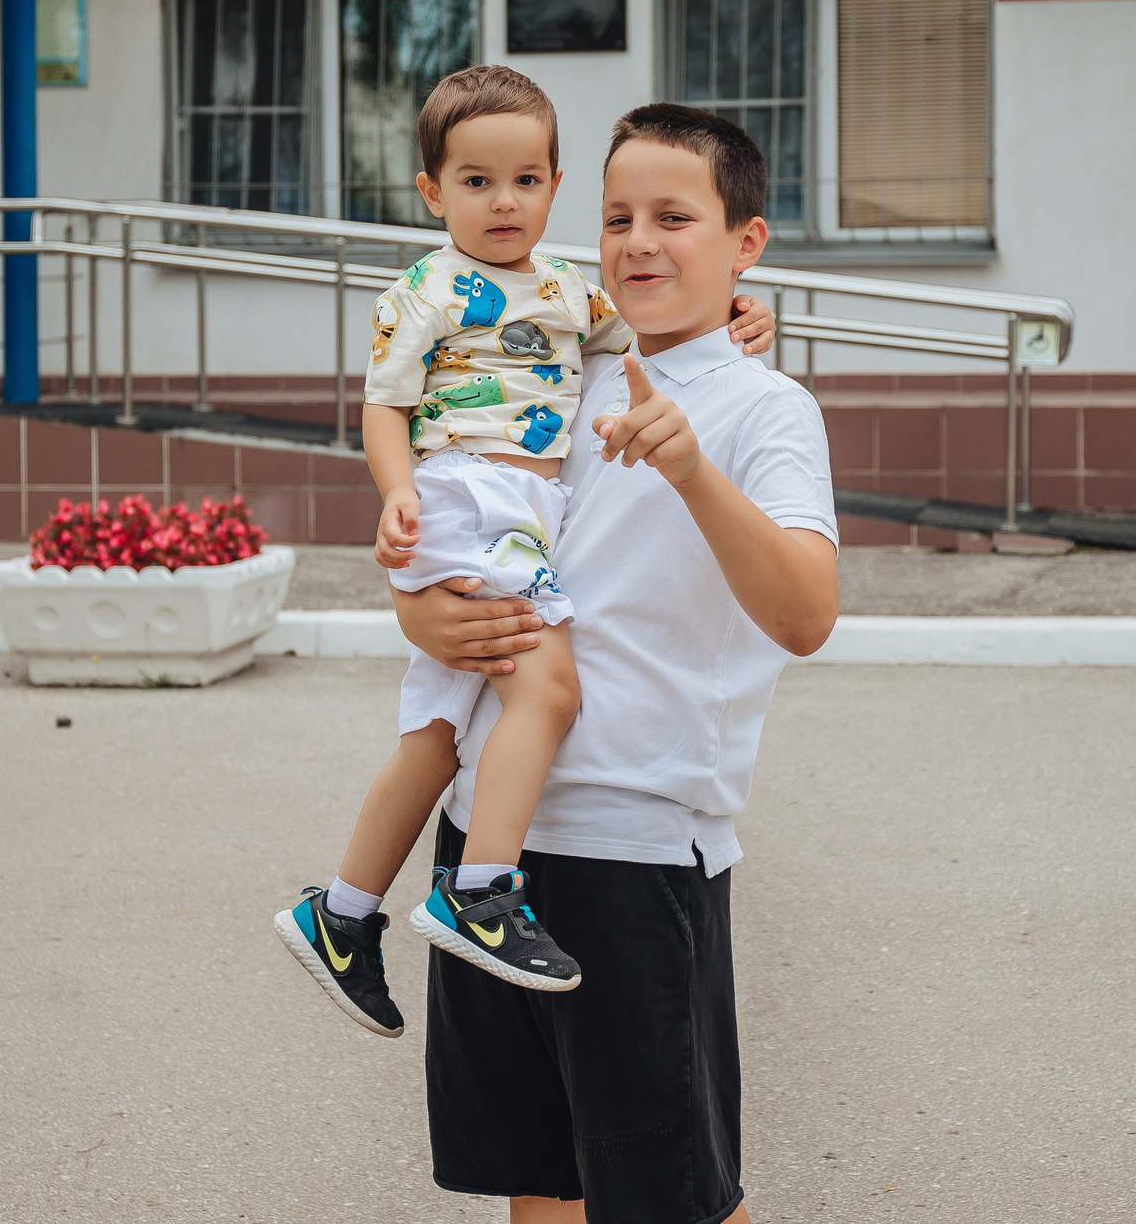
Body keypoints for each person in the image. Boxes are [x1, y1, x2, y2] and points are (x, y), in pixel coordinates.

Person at [397, 102, 840, 1224]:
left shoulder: (764, 407)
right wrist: (424, 621)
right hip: (488, 852)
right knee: (541, 1182)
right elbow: (463, 548)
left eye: (674, 216)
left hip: (633, 850)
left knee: (671, 1197)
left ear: (746, 243)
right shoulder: (557, 372)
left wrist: (693, 469)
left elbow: (805, 614)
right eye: (615, 217)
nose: (639, 240)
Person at [274, 67, 776, 1035]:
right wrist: (399, 496)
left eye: (527, 181)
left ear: (552, 185)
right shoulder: (422, 288)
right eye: (474, 182)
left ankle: (341, 913)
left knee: (438, 737)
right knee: (549, 690)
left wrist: (747, 314)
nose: (503, 202)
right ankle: (482, 891)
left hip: (521, 509)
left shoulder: (567, 292)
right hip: (467, 491)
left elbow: (666, 325)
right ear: (431, 192)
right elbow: (384, 405)